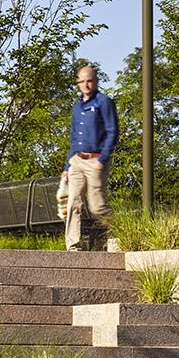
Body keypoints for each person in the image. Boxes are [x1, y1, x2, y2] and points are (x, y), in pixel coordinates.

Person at [62, 65, 117, 251]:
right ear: (78, 83)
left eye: (90, 80)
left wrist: (103, 158)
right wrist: (66, 167)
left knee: (96, 207)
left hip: (96, 159)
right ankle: (73, 245)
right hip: (77, 160)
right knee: (73, 202)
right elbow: (73, 137)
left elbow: (112, 131)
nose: (86, 84)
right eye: (82, 81)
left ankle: (120, 231)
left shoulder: (104, 102)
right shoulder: (77, 107)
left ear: (96, 81)